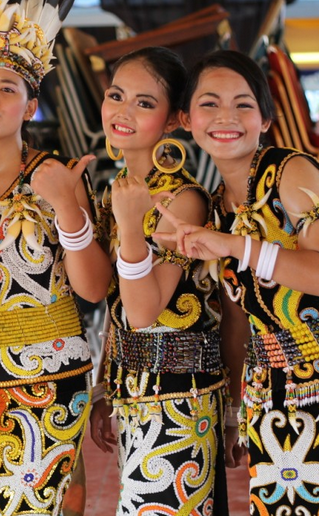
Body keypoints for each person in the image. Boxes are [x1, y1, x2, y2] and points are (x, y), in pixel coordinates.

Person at [0, 0, 113, 513]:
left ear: (31, 105)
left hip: (50, 379)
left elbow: (94, 288)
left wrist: (65, 205)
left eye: (7, 90)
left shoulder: (55, 178)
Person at [155, 49, 319, 514]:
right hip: (271, 392)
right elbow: (236, 321)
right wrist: (232, 412)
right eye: (209, 104)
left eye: (244, 104)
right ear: (186, 118)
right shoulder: (217, 207)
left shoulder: (290, 172)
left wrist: (235, 247)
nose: (226, 116)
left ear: (267, 119)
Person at [87, 47, 230, 514]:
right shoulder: (122, 190)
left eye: (144, 103)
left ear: (174, 121)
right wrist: (107, 385)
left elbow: (145, 311)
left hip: (179, 395)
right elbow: (115, 300)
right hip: (135, 390)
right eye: (116, 95)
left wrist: (130, 228)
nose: (122, 111)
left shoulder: (183, 200)